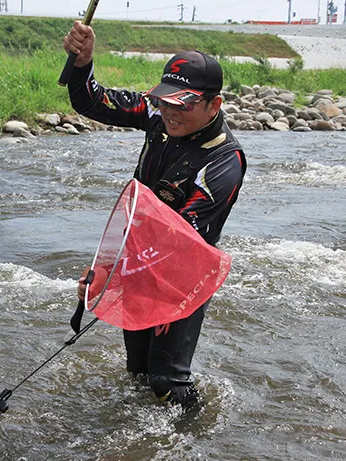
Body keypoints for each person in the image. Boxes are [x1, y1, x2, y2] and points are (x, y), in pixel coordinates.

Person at [63, 21, 246, 410]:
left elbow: (182, 240)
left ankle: (193, 439)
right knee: (137, 371)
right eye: (165, 102)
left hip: (184, 269)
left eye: (184, 105)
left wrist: (110, 276)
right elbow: (91, 102)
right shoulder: (156, 115)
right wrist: (82, 64)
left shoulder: (224, 161)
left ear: (214, 105)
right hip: (140, 255)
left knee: (165, 380)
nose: (170, 113)